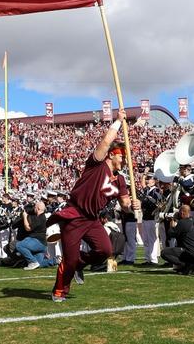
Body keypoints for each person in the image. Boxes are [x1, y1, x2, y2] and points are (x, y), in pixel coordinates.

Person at [48, 113, 140, 303]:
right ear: (112, 155)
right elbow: (106, 142)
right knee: (69, 260)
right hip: (75, 216)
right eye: (122, 157)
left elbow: (124, 205)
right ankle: (60, 290)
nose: (124, 161)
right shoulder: (96, 164)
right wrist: (118, 121)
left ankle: (79, 264)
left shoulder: (121, 180)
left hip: (92, 219)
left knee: (105, 250)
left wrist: (133, 206)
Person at [161, 204, 194, 274]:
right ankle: (191, 265)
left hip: (189, 253)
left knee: (164, 253)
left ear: (182, 213)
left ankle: (187, 265)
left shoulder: (182, 222)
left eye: (179, 213)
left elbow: (171, 234)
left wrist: (171, 224)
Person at [16, 200, 50, 270]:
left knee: (19, 245)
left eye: (35, 207)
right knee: (38, 264)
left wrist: (25, 216)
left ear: (37, 208)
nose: (33, 208)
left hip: (37, 241)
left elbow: (28, 228)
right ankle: (55, 261)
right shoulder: (41, 217)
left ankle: (32, 261)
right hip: (43, 244)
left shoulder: (40, 218)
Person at [138, 174, 163, 265]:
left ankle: (153, 259)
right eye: (147, 179)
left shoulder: (156, 191)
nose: (148, 180)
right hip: (146, 217)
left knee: (152, 239)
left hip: (152, 217)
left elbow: (157, 203)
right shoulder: (148, 191)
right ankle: (148, 258)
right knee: (146, 239)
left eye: (149, 179)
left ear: (154, 181)